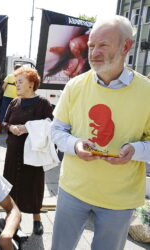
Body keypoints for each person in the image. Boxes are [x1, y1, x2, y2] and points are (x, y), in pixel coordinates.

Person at [51, 15, 150, 250]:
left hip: (120, 199)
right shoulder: (75, 86)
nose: (94, 52)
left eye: (103, 45)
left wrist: (135, 150)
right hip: (73, 190)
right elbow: (56, 130)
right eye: (92, 45)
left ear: (126, 46)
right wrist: (75, 145)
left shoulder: (146, 92)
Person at [2, 67, 53, 235]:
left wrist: (28, 128)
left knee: (33, 184)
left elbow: (50, 124)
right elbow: (4, 123)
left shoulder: (43, 103)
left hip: (33, 153)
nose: (16, 85)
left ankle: (37, 219)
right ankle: (14, 217)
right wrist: (11, 128)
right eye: (16, 82)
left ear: (31, 84)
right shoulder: (14, 102)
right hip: (14, 151)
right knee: (12, 183)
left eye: (20, 82)